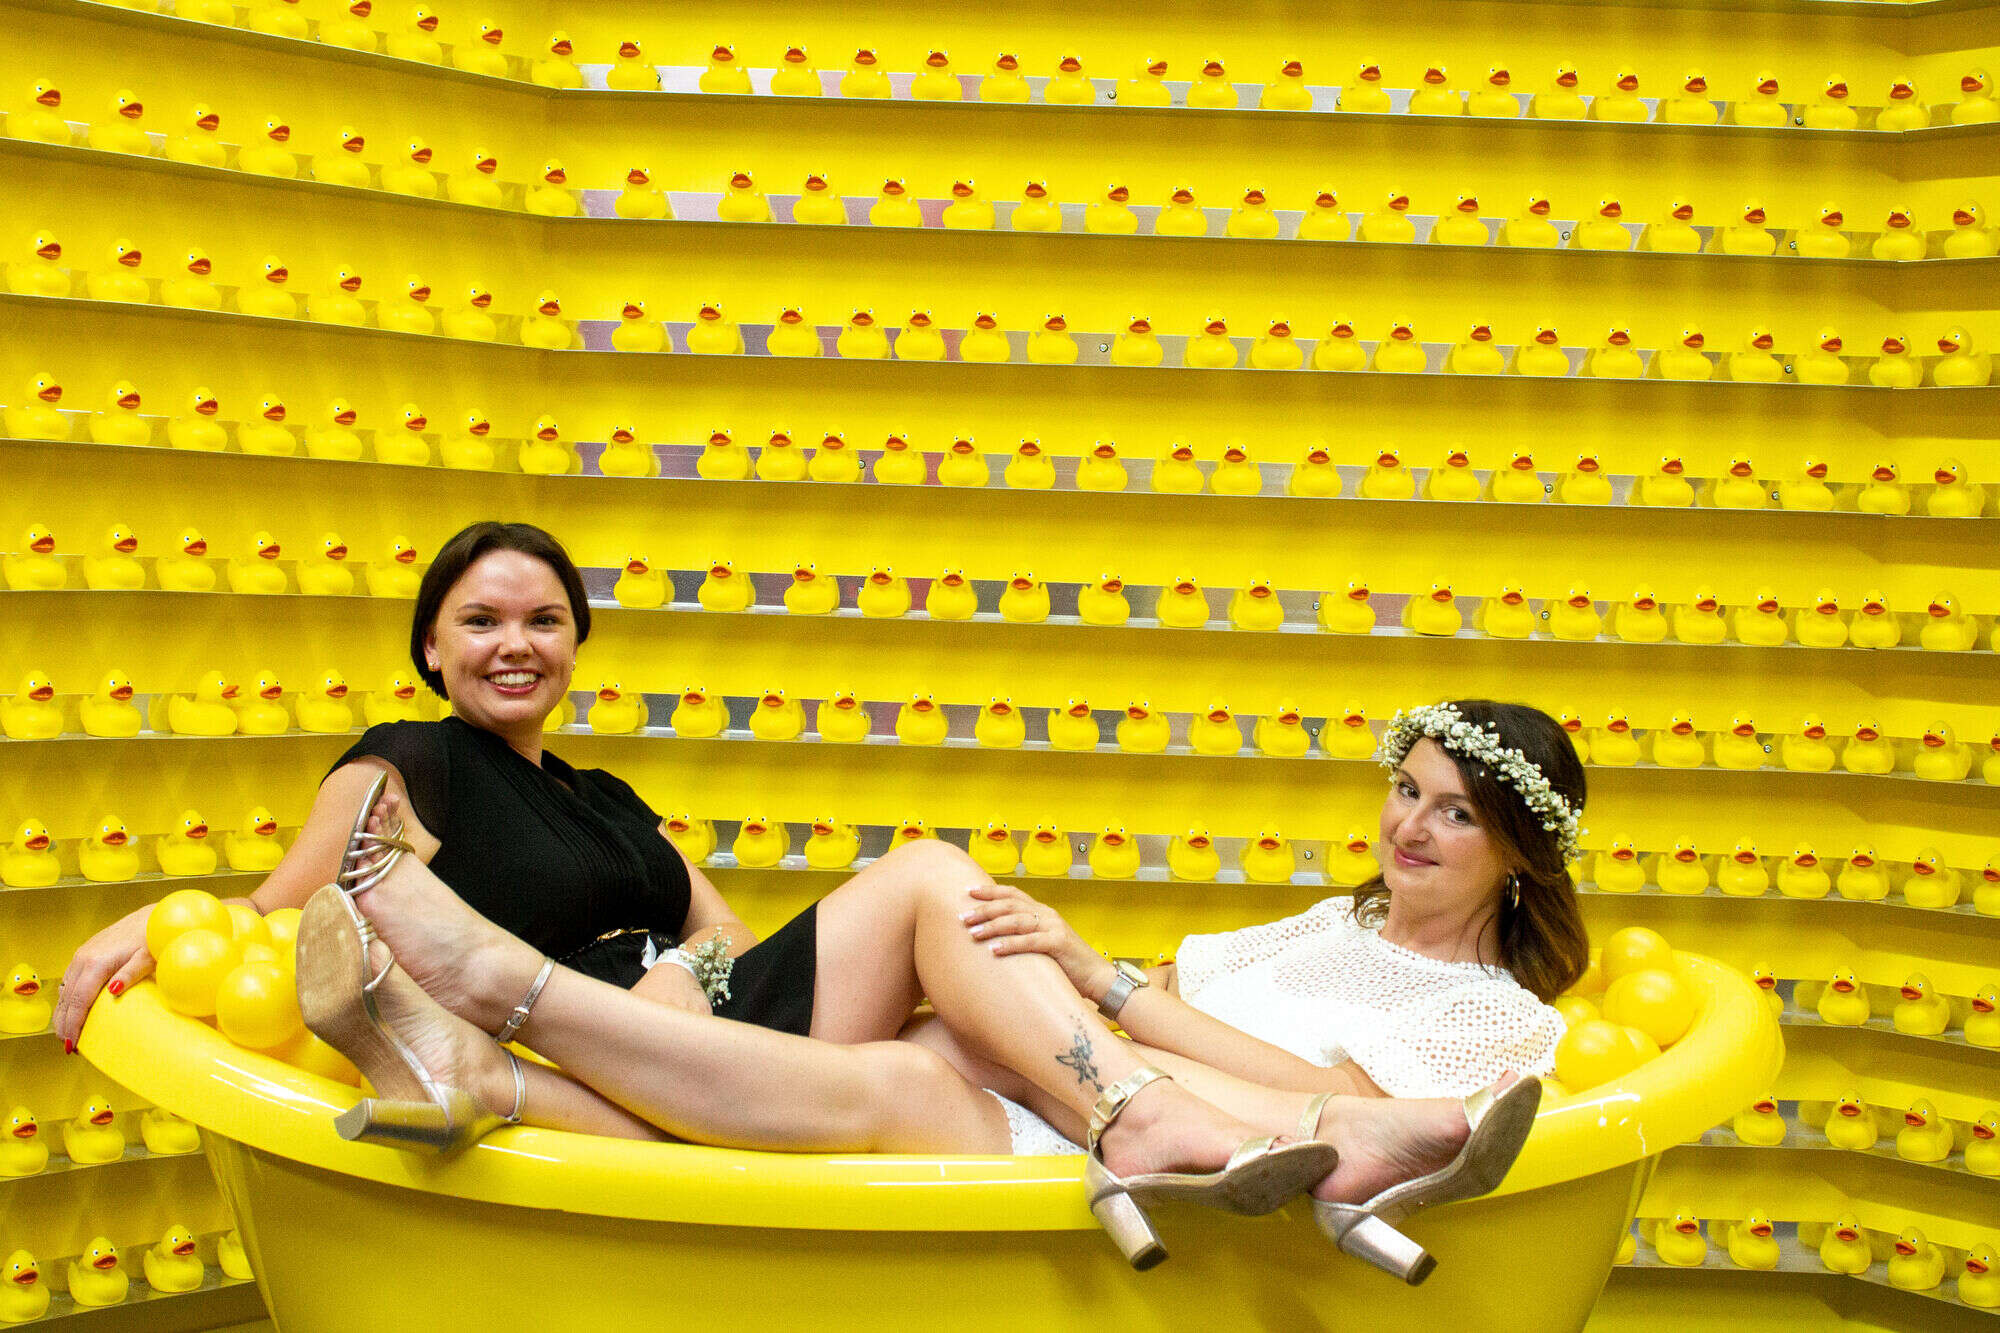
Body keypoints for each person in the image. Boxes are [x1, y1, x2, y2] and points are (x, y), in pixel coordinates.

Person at [63, 521, 1564, 1276]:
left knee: (943, 995)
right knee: (926, 880)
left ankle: (1259, 1127)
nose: (517, 645)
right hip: (588, 1026)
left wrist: (719, 973)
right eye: (482, 621)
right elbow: (291, 913)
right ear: (432, 648)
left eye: (546, 620)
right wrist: (159, 921)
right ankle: (1170, 1122)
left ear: (576, 643)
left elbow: (724, 936)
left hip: (685, 1017)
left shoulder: (608, 798)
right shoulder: (410, 764)